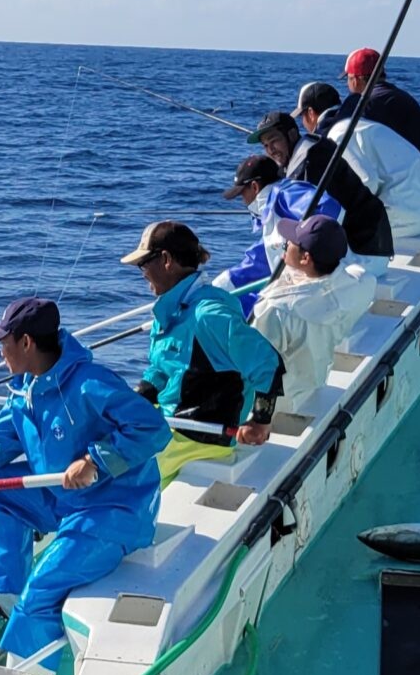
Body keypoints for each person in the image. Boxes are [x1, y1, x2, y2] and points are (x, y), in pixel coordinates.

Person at [0, 297, 170, 675]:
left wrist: (95, 460)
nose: (0, 352)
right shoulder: (25, 391)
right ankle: (2, 598)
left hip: (114, 512)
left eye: (3, 342)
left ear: (26, 343)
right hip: (65, 501)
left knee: (41, 596)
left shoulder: (91, 384)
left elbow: (153, 429)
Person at [123, 220, 282, 482]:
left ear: (166, 260)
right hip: (168, 418)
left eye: (143, 264)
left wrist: (260, 422)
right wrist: (133, 399)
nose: (141, 272)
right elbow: (161, 369)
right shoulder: (171, 309)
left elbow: (267, 363)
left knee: (118, 475)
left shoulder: (209, 316)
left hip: (195, 436)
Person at [306, 77, 420, 249]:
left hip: (410, 218)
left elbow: (367, 182)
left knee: (328, 237)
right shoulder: (360, 124)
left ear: (310, 114)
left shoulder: (339, 134)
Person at [250, 214, 372, 411]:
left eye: (288, 244)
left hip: (279, 399)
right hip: (313, 382)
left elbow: (258, 367)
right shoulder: (361, 285)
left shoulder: (275, 310)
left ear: (306, 258)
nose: (285, 245)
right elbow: (353, 271)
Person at [250, 111, 392, 257]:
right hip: (375, 245)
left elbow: (318, 219)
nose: (270, 150)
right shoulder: (312, 146)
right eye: (265, 145)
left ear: (291, 134)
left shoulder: (309, 163)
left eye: (274, 141)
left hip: (364, 251)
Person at [219, 152, 341, 315]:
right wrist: (225, 282)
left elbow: (328, 207)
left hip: (312, 288)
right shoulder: (272, 208)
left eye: (242, 194)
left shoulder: (283, 194)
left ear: (254, 187)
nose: (243, 201)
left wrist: (308, 244)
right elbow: (262, 257)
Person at [337, 47, 420, 197]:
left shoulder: (365, 104)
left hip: (416, 186)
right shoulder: (401, 96)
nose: (348, 85)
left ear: (357, 79)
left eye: (348, 78)